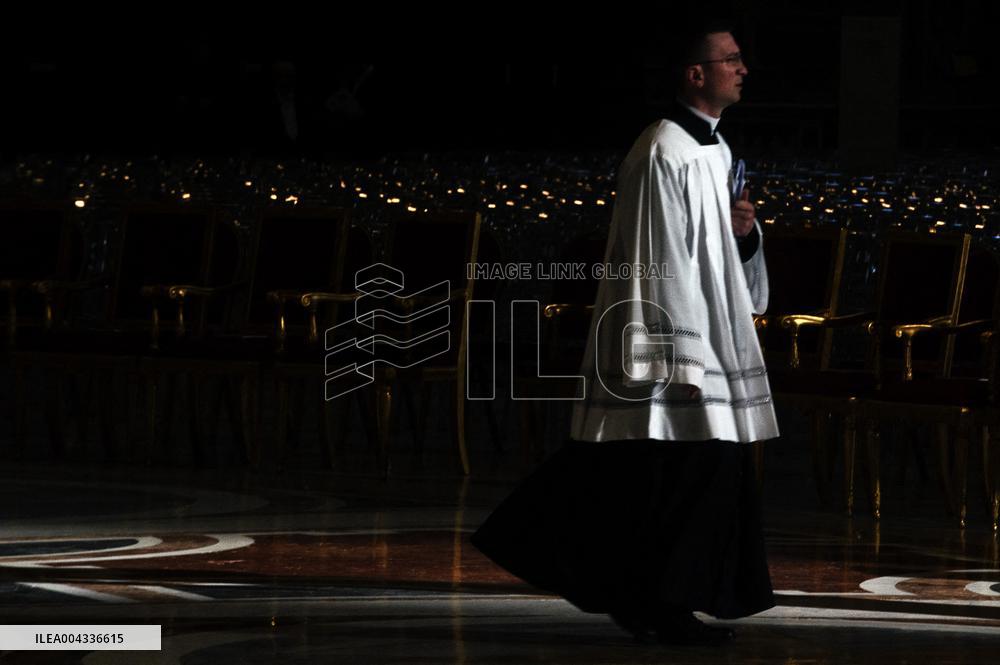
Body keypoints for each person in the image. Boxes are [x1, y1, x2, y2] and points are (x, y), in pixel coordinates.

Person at [471, 19, 779, 646]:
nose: (743, 69)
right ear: (696, 74)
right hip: (678, 343)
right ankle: (656, 603)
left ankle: (659, 602)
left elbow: (717, 256)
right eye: (732, 59)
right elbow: (658, 255)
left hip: (713, 333)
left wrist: (744, 236)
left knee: (670, 473)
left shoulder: (716, 151)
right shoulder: (663, 149)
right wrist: (679, 361)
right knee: (656, 471)